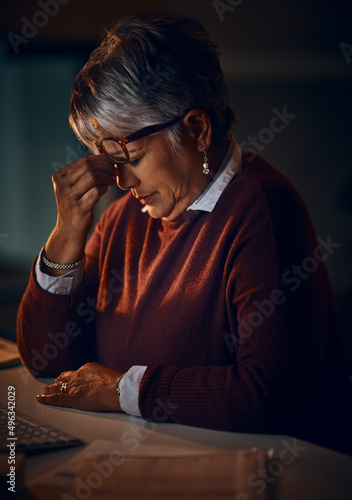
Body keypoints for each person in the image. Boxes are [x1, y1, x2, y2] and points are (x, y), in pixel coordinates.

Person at [17, 10, 352, 454]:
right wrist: (67, 235)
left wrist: (121, 390)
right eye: (107, 160)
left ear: (195, 129)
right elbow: (45, 358)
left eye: (129, 156)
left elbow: (273, 394)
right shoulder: (124, 218)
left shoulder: (264, 210)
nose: (120, 182)